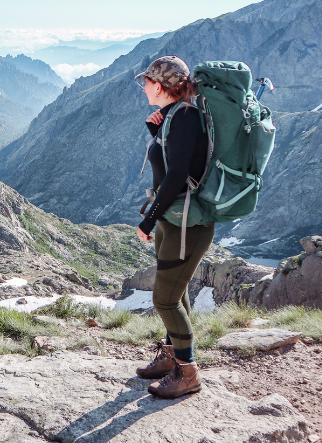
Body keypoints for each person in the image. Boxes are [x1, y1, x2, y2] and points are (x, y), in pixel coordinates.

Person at [133, 56, 213, 399]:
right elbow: (170, 167)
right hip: (173, 220)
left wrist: (148, 219)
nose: (144, 87)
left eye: (147, 82)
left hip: (187, 224)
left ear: (161, 86)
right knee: (175, 293)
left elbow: (179, 176)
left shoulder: (185, 118)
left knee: (164, 301)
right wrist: (156, 132)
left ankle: (188, 372)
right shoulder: (172, 118)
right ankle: (170, 356)